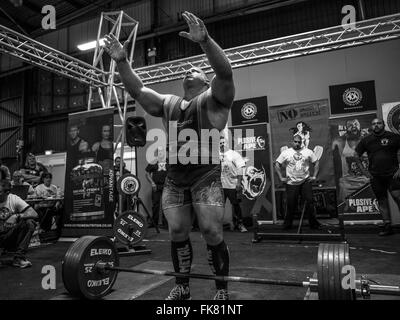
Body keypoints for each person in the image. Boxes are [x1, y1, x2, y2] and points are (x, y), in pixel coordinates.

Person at [104, 11, 234, 300]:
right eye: (186, 70)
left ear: (204, 81)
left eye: (196, 69)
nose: (190, 69)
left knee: (212, 231)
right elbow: (137, 90)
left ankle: (221, 290)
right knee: (176, 231)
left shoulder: (215, 100)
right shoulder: (169, 103)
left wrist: (205, 41)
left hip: (205, 175)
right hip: (175, 178)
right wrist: (122, 61)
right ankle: (182, 287)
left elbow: (225, 72)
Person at [355, 118, 400, 236]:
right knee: (381, 200)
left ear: (383, 124)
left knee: (398, 197)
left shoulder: (394, 137)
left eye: (378, 123)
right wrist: (364, 172)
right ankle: (387, 226)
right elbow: (356, 155)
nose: (376, 125)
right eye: (373, 123)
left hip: (393, 174)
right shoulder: (366, 140)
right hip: (376, 176)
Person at [275, 134, 321, 230]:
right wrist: (281, 177)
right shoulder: (286, 152)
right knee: (291, 204)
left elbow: (316, 162)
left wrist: (314, 176)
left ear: (302, 142)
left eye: (299, 142)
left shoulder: (308, 152)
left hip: (305, 181)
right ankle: (287, 225)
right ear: (292, 142)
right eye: (295, 141)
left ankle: (314, 224)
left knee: (310, 202)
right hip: (291, 183)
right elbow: (277, 164)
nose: (297, 143)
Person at [0, 179, 38, 268]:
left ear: (7, 192)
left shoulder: (13, 199)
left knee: (30, 223)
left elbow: (34, 213)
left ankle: (19, 258)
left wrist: (16, 216)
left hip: (10, 236)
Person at [332, 119, 370, 202]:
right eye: (350, 125)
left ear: (360, 126)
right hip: (347, 184)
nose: (353, 126)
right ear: (346, 128)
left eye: (356, 124)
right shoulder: (340, 141)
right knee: (347, 209)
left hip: (367, 182)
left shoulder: (368, 139)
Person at [220, 136, 247, 232]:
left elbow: (240, 168)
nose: (222, 144)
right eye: (220, 143)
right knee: (219, 206)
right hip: (220, 185)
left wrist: (239, 182)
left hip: (232, 184)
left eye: (223, 142)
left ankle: (240, 224)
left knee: (235, 204)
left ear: (226, 143)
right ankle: (217, 225)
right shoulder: (215, 154)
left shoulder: (234, 154)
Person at [145, 147, 168, 228]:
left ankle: (166, 224)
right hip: (156, 186)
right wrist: (152, 183)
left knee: (166, 205)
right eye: (159, 152)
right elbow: (147, 174)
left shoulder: (168, 161)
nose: (161, 153)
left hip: (166, 186)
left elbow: (172, 173)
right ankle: (154, 223)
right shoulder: (153, 162)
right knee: (155, 205)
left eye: (162, 152)